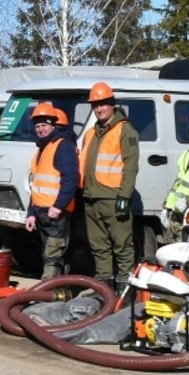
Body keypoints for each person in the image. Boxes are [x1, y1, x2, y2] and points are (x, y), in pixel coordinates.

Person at [79, 81, 139, 286]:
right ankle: (103, 290)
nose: (99, 108)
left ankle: (124, 290)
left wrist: (124, 195)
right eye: (95, 105)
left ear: (112, 104)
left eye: (103, 103)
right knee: (98, 246)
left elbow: (131, 165)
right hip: (90, 198)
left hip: (113, 198)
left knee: (122, 246)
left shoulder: (125, 130)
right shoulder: (90, 133)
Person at [24, 103, 78, 279]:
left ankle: (49, 294)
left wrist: (59, 206)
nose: (40, 129)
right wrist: (31, 213)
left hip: (55, 213)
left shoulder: (62, 146)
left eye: (44, 126)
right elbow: (36, 184)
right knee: (50, 254)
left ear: (53, 125)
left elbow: (70, 178)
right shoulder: (43, 148)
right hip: (41, 213)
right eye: (37, 126)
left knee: (53, 256)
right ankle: (56, 292)